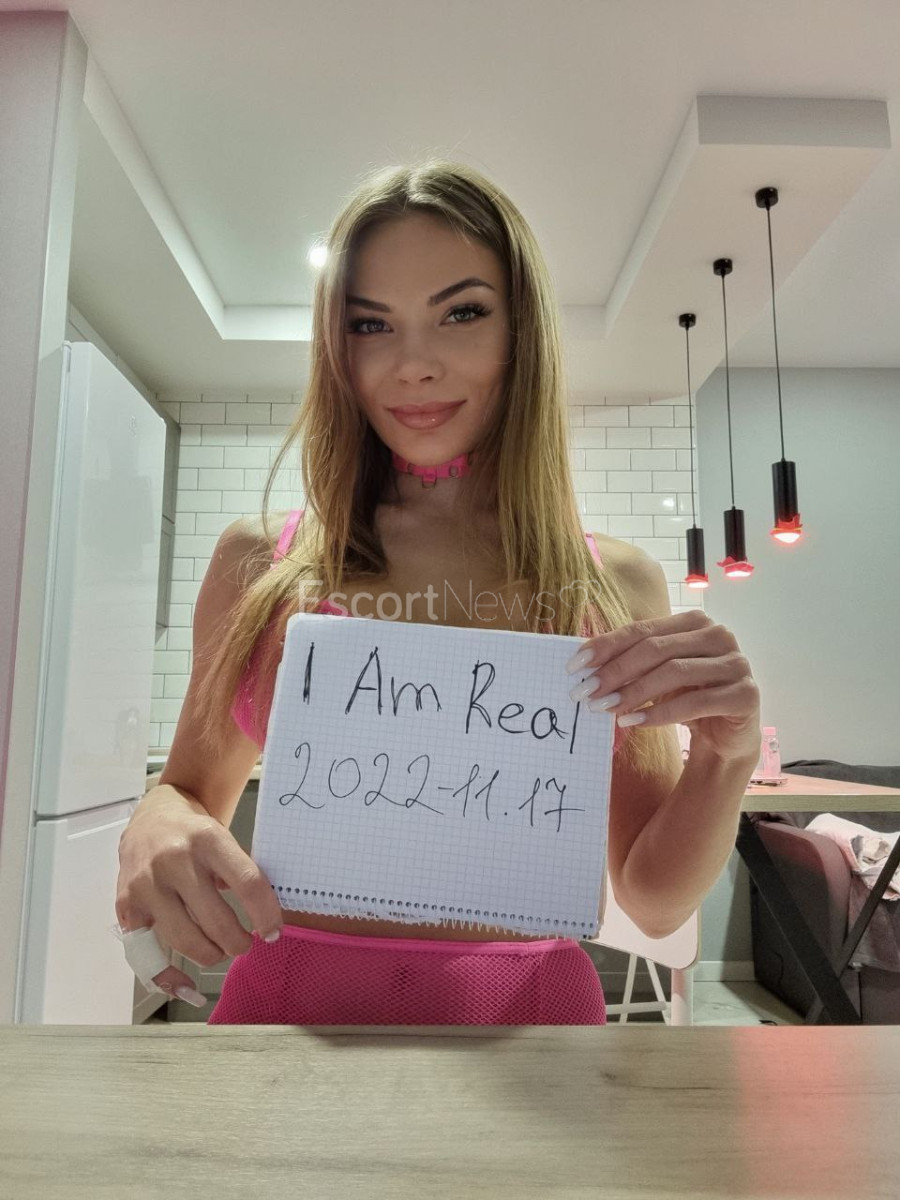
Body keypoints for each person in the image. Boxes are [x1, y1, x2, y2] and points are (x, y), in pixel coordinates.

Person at [115, 160, 762, 1025]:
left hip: (530, 1030)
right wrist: (153, 821)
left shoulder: (612, 584)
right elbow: (192, 790)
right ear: (337, 348)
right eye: (370, 323)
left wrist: (727, 756)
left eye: (461, 313)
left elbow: (652, 900)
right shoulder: (259, 565)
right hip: (286, 1025)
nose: (413, 364)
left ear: (521, 331)